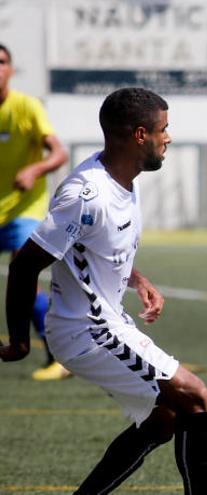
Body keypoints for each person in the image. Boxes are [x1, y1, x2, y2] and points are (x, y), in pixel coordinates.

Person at [0, 88, 207, 494]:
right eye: (162, 130)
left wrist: (137, 279)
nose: (167, 137)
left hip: (105, 322)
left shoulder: (124, 179)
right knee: (196, 397)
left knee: (166, 417)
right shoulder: (87, 195)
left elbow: (94, 247)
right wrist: (19, 341)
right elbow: (26, 263)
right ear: (138, 136)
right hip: (86, 331)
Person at [0, 43, 70, 380]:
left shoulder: (26, 107)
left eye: (1, 63)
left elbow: (58, 153)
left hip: (24, 209)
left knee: (23, 272)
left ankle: (56, 356)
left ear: (12, 70)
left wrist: (33, 171)